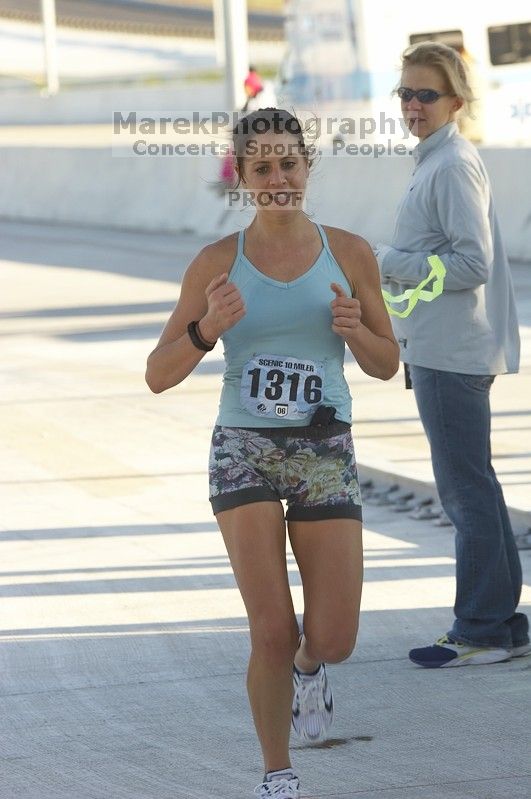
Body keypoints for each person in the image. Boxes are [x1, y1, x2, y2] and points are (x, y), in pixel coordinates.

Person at [146, 107, 399, 798]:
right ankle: (276, 771)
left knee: (333, 635)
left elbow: (386, 362)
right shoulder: (214, 262)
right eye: (262, 167)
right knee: (269, 629)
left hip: (322, 449)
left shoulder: (348, 252)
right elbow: (158, 372)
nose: (278, 177)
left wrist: (353, 330)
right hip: (243, 450)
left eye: (289, 162)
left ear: (306, 166)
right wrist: (205, 328)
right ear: (243, 177)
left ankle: (312, 669)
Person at [373, 42, 530, 669]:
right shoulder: (435, 161)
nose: (413, 105)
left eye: (426, 95)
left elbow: (471, 263)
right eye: (405, 93)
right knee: (477, 489)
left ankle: (480, 630)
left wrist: (388, 262)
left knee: (464, 491)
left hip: (453, 351)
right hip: (443, 346)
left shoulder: (451, 165)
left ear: (456, 102)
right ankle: (503, 622)